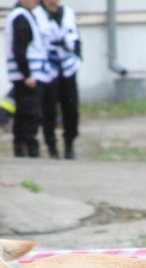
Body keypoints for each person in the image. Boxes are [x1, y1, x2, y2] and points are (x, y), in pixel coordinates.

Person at [5, 0, 51, 157]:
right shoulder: (21, 17)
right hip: (28, 75)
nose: (37, 2)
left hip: (25, 74)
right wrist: (27, 74)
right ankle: (29, 149)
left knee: (23, 113)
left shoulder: (23, 15)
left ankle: (21, 148)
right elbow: (20, 47)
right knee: (30, 114)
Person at [39, 0, 82, 160]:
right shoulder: (37, 14)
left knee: (71, 110)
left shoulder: (68, 13)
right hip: (48, 70)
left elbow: (77, 38)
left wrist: (78, 57)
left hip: (68, 69)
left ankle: (69, 145)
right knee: (49, 111)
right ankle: (52, 148)